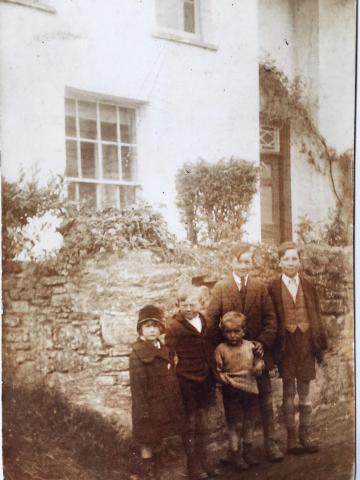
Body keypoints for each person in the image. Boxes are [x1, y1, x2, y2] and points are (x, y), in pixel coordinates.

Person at [207, 243, 283, 463]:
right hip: (233, 362)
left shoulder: (260, 287)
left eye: (247, 262)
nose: (243, 266)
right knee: (236, 409)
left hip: (258, 358)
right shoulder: (221, 288)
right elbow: (212, 324)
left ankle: (271, 445)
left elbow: (271, 320)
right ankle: (236, 452)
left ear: (252, 263)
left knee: (266, 401)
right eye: (239, 261)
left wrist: (262, 343)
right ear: (232, 261)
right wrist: (224, 352)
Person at [268, 241, 328, 454]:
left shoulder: (309, 285)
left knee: (304, 391)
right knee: (288, 391)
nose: (291, 262)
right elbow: (271, 318)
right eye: (286, 259)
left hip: (305, 343)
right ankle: (291, 439)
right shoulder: (272, 287)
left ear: (300, 261)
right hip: (286, 345)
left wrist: (320, 346)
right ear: (280, 262)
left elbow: (317, 316)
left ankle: (306, 434)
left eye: (294, 258)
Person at [166, 285, 218, 480]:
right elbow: (169, 354)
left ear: (200, 303)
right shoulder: (173, 326)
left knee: (204, 421)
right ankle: (192, 465)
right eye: (184, 304)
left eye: (192, 303)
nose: (189, 308)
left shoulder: (205, 321)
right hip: (186, 379)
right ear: (178, 305)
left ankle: (204, 460)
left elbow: (210, 346)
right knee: (190, 422)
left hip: (205, 377)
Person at [129, 305, 187, 480]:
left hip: (165, 402)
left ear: (161, 328)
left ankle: (162, 469)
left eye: (155, 326)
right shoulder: (137, 354)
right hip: (148, 403)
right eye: (147, 326)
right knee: (147, 438)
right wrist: (143, 411)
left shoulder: (164, 348)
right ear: (141, 329)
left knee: (162, 435)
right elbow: (137, 386)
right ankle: (148, 471)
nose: (152, 330)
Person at [214, 311, 265, 470]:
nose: (232, 336)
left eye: (236, 331)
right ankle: (235, 455)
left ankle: (248, 452)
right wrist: (223, 379)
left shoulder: (251, 346)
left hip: (251, 389)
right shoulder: (221, 349)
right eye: (228, 332)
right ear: (223, 333)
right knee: (235, 425)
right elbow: (217, 370)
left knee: (249, 422)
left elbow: (260, 362)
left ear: (243, 331)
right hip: (232, 391)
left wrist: (258, 366)